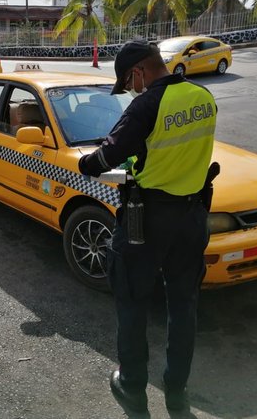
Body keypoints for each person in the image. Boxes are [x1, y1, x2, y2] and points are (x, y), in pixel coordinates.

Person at [78, 40, 217, 416]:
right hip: (192, 218)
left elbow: (108, 154)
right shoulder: (203, 96)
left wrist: (86, 163)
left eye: (128, 82)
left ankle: (133, 389)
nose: (131, 90)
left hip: (147, 219)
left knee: (131, 301)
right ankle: (176, 391)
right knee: (184, 305)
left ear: (139, 71)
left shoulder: (148, 105)